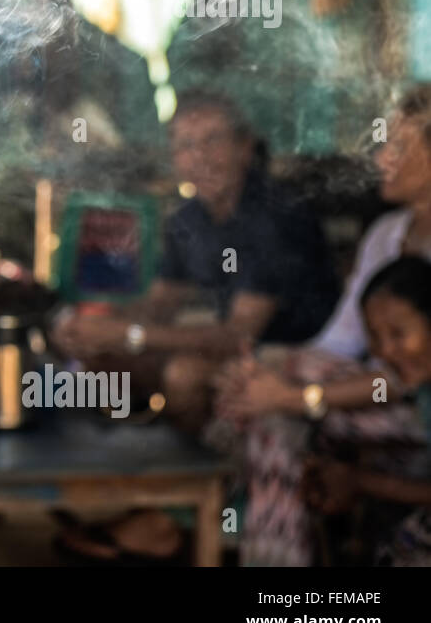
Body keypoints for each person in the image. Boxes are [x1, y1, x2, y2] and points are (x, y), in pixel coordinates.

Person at [213, 85, 431, 565]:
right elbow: (339, 343)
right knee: (267, 399)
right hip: (374, 399)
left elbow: (408, 375)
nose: (380, 159)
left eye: (398, 147)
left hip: (413, 408)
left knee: (276, 411)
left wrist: (295, 396)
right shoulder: (386, 235)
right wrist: (264, 377)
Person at [52, 90, 338, 425]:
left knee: (184, 375)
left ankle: (211, 459)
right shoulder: (189, 219)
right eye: (185, 146)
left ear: (244, 148)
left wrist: (130, 334)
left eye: (212, 141)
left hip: (300, 351)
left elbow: (238, 336)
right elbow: (159, 304)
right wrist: (92, 325)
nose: (200, 157)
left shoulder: (275, 217)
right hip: (247, 345)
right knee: (103, 360)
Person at [304, 256, 431, 565]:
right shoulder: (423, 391)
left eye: (398, 334)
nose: (384, 351)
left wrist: (359, 482)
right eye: (374, 337)